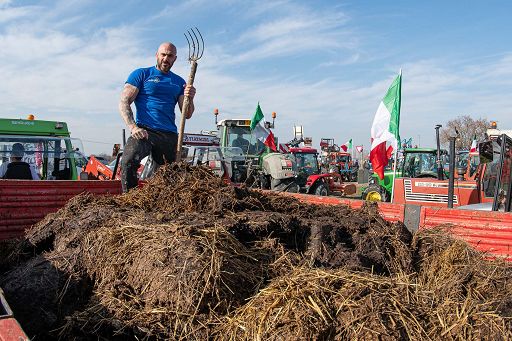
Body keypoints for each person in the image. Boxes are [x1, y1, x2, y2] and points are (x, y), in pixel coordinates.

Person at [119, 42, 196, 192]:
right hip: (144, 131)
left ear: (175, 58)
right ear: (157, 55)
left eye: (170, 56)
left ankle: (161, 207)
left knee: (169, 175)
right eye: (163, 54)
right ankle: (130, 199)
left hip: (169, 135)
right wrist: (133, 127)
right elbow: (124, 102)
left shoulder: (179, 82)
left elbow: (187, 114)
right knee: (128, 161)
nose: (166, 58)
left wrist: (190, 97)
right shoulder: (141, 74)